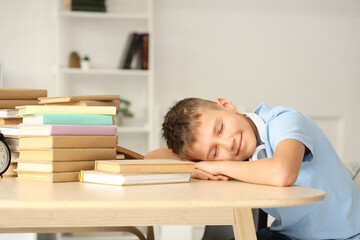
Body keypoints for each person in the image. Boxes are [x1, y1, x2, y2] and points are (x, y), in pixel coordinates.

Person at [147, 97, 360, 240]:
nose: (227, 143)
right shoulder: (239, 158)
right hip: (290, 235)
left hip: (345, 235)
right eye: (214, 151)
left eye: (220, 128)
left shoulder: (283, 121)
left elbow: (282, 172)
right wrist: (192, 165)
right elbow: (151, 158)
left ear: (227, 105)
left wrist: (214, 163)